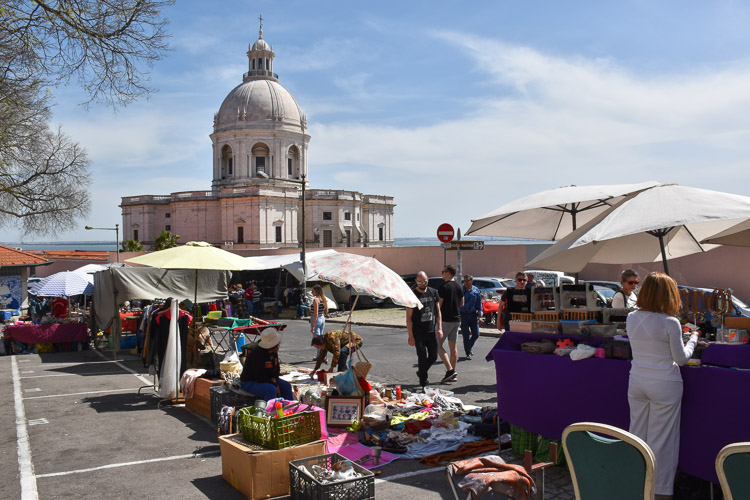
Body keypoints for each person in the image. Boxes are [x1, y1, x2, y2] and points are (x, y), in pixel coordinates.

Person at [627, 272, 700, 498]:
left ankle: (634, 481)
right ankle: (658, 491)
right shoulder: (670, 322)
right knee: (662, 441)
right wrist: (694, 339)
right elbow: (681, 358)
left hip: (637, 379)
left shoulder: (632, 317)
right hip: (664, 383)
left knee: (637, 434)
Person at [406, 271, 442, 388]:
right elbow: (408, 318)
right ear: (416, 281)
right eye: (420, 282)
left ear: (428, 281)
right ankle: (423, 382)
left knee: (433, 356)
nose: (422, 284)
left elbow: (438, 312)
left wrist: (439, 328)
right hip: (418, 332)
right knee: (422, 356)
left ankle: (421, 372)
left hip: (431, 330)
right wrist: (410, 335)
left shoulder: (433, 292)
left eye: (425, 281)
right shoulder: (412, 296)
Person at [239, 328, 294, 401]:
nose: (279, 344)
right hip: (250, 381)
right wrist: (274, 384)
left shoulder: (273, 352)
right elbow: (259, 376)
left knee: (286, 386)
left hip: (268, 380)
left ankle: (289, 407)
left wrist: (275, 380)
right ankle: (269, 411)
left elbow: (276, 369)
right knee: (271, 389)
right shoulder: (257, 355)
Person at [438, 265, 463, 383]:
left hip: (446, 319)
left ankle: (450, 370)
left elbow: (439, 305)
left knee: (437, 345)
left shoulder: (444, 287)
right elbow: (462, 302)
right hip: (457, 319)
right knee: (453, 347)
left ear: (448, 273)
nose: (442, 274)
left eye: (443, 272)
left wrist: (436, 317)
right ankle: (453, 372)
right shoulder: (459, 286)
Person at [460, 275, 483, 359]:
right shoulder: (461, 290)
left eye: (467, 281)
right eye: (464, 281)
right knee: (465, 335)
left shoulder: (476, 290)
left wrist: (480, 316)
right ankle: (468, 352)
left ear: (471, 281)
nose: (466, 283)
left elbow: (479, 303)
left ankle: (468, 347)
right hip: (463, 315)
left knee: (476, 334)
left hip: (473, 315)